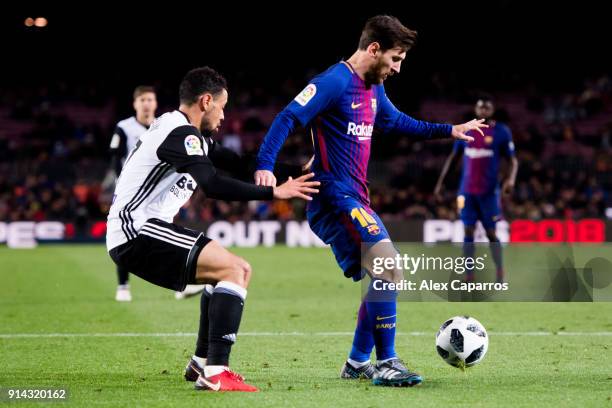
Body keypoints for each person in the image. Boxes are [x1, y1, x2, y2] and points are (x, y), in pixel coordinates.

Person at [254, 15, 486, 387]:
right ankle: (387, 361)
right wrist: (265, 165)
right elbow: (287, 117)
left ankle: (358, 362)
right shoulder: (334, 82)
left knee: (382, 274)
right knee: (389, 267)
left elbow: (396, 122)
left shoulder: (372, 87)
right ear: (374, 49)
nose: (397, 68)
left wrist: (449, 130)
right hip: (332, 195)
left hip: (354, 196)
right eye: (395, 58)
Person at [106, 66, 319, 392]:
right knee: (236, 269)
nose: (223, 115)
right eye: (222, 106)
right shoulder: (180, 134)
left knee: (226, 273)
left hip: (140, 230)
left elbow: (239, 164)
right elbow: (213, 184)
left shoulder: (189, 135)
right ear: (206, 101)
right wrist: (272, 193)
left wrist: (297, 170)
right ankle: (216, 372)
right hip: (136, 230)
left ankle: (202, 364)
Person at [434, 96, 518, 283]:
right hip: (466, 192)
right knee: (468, 231)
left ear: (492, 110)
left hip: (489, 193)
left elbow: (513, 160)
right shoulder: (466, 130)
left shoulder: (502, 132)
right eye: (481, 107)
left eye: (487, 108)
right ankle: (469, 276)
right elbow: (453, 158)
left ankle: (499, 272)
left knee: (491, 233)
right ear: (476, 109)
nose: (483, 111)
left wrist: (510, 180)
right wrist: (441, 183)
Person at [106, 86, 157, 302]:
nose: (146, 103)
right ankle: (123, 285)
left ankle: (178, 284)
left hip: (156, 191)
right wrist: (121, 184)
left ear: (155, 103)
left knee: (161, 233)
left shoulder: (161, 126)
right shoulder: (124, 127)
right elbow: (115, 157)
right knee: (124, 234)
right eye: (142, 99)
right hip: (130, 191)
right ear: (135, 103)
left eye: (150, 99)